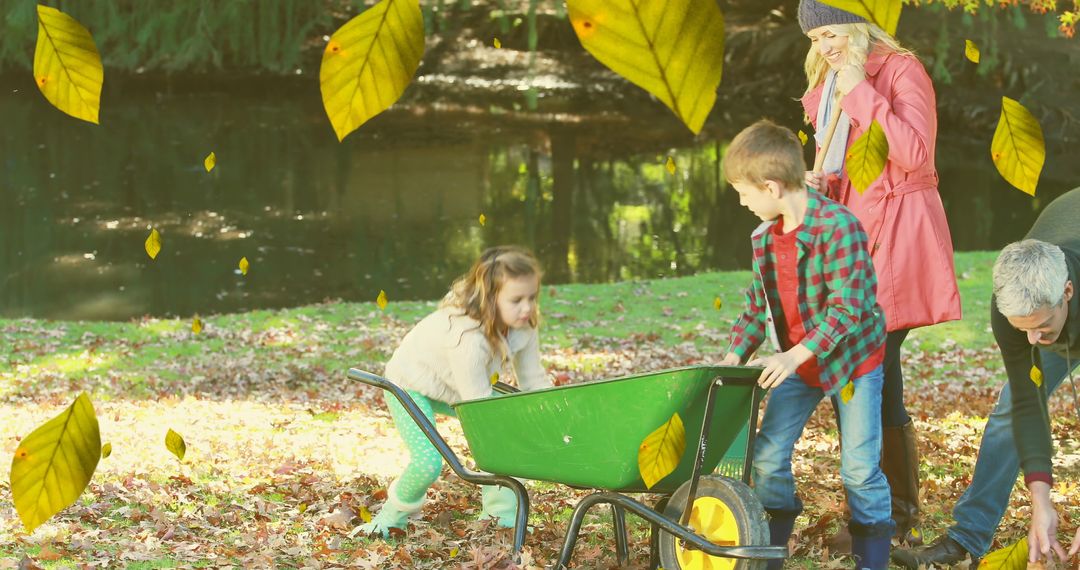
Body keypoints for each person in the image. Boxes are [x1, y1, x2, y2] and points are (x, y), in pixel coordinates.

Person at [798, 0, 962, 546]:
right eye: (817, 38)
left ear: (859, 23)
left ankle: (886, 518)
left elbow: (915, 153)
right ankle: (888, 514)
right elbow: (843, 163)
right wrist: (821, 184)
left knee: (872, 367)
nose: (825, 47)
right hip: (855, 238)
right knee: (867, 370)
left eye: (833, 32)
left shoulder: (899, 70)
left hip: (900, 236)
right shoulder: (831, 80)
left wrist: (859, 93)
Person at [718, 119, 892, 569]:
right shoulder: (763, 239)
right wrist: (734, 355)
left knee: (858, 469)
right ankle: (772, 550)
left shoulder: (839, 228)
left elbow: (848, 310)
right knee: (768, 457)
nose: (740, 201)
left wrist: (792, 356)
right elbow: (757, 309)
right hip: (800, 361)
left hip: (852, 362)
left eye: (743, 191)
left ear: (771, 186)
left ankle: (872, 560)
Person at [893, 188, 1080, 568]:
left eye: (1042, 326)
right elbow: (1027, 405)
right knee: (1009, 410)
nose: (1033, 340)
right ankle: (965, 539)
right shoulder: (1015, 307)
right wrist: (1040, 502)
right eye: (1022, 329)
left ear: (1067, 292)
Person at [358, 246, 551, 537]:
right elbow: (478, 407)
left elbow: (534, 379)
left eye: (532, 297)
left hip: (454, 386)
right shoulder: (467, 338)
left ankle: (501, 517)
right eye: (516, 300)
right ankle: (388, 520)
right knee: (428, 462)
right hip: (410, 381)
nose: (527, 307)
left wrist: (552, 412)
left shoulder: (524, 325)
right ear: (490, 298)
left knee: (508, 428)